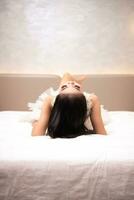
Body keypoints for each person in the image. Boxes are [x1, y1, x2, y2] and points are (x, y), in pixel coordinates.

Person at [32, 73, 107, 138]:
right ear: (84, 98)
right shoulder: (92, 99)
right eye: (77, 87)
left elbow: (36, 134)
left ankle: (73, 81)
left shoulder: (50, 99)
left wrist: (36, 125)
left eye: (63, 88)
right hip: (69, 112)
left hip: (64, 111)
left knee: (66, 76)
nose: (70, 83)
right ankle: (77, 81)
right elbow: (102, 133)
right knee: (66, 76)